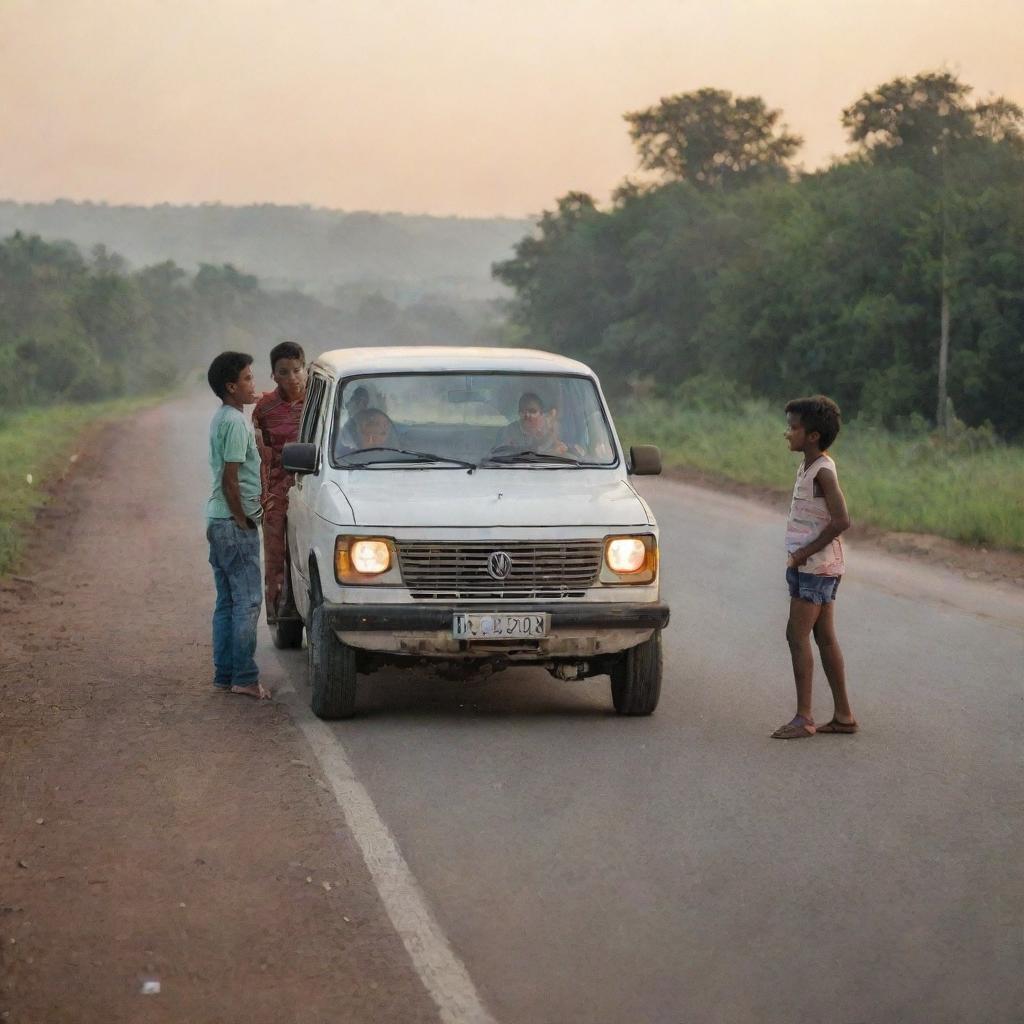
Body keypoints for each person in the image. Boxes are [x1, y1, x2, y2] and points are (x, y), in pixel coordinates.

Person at [772, 395, 854, 739]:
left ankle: (804, 718)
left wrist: (804, 552)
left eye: (793, 428)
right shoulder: (808, 465)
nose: (787, 433)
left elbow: (841, 521)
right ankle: (843, 716)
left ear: (813, 435)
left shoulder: (822, 471)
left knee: (797, 635)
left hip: (815, 567)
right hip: (815, 565)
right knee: (823, 637)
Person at [205, 352, 269, 700]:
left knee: (228, 601)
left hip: (217, 520)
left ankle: (225, 674)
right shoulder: (234, 422)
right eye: (246, 378)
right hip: (232, 522)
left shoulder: (224, 418)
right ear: (231, 386)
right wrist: (244, 518)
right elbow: (231, 479)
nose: (252, 384)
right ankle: (244, 676)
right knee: (247, 602)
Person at [252, 341, 306, 621]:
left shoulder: (316, 403)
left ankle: (303, 606)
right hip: (275, 489)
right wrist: (262, 495)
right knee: (275, 552)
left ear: (305, 370)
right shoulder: (265, 409)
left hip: (308, 487)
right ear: (273, 375)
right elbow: (259, 456)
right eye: (283, 372)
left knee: (303, 550)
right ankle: (276, 613)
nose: (291, 378)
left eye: (296, 370)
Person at [497, 392, 577, 455]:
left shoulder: (552, 428)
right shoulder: (510, 431)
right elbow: (503, 455)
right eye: (523, 411)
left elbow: (567, 450)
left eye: (532, 411)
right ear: (519, 413)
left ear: (541, 414)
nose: (527, 415)